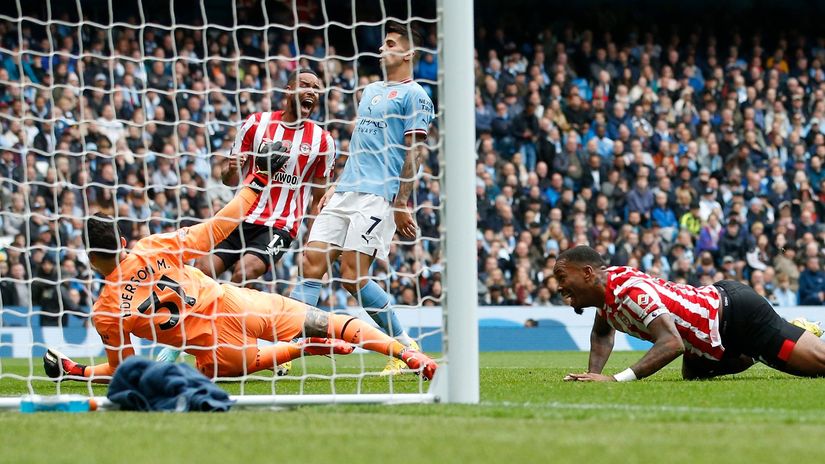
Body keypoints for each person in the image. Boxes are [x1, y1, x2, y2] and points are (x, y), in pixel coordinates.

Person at [42, 170, 437, 383]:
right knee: (330, 321)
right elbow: (216, 228)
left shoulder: (106, 310)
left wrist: (79, 371)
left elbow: (123, 372)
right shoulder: (151, 247)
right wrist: (255, 185)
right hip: (235, 305)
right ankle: (405, 353)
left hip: (217, 352)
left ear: (90, 259)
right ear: (122, 241)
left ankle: (299, 350)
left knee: (205, 369)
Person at [290, 21, 434, 375]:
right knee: (311, 263)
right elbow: (361, 146)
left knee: (352, 277)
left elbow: (415, 152)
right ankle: (287, 348)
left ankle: (405, 346)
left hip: (378, 196)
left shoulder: (416, 95)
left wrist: (401, 202)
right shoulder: (369, 91)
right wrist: (336, 186)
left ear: (409, 53)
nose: (382, 48)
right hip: (346, 191)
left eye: (391, 43)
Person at [555, 245, 825, 382]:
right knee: (693, 374)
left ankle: (790, 330)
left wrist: (615, 379)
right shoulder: (605, 292)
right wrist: (593, 376)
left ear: (587, 273)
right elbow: (602, 334)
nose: (559, 285)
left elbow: (671, 343)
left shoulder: (630, 293)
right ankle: (762, 347)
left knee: (819, 365)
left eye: (562, 276)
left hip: (737, 313)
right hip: (711, 331)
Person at [201, 68, 334, 286]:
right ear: (288, 91)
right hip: (240, 215)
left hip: (280, 225)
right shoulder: (256, 123)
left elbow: (319, 199)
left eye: (316, 88)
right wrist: (232, 169)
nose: (311, 91)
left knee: (243, 273)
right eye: (305, 85)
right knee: (202, 270)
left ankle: (232, 309)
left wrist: (312, 245)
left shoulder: (322, 141)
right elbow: (229, 180)